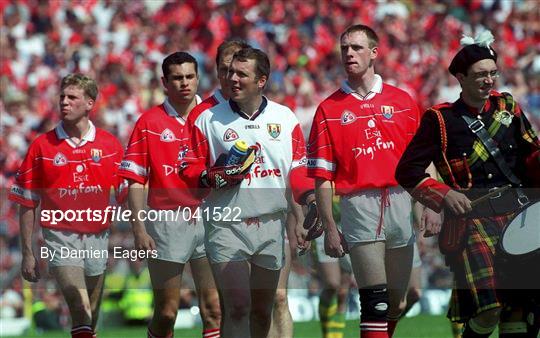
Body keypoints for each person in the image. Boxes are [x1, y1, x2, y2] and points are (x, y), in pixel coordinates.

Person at [395, 30, 540, 337]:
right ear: (461, 77)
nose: (489, 81)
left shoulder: (508, 107)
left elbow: (531, 155)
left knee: (521, 307)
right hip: (474, 220)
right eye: (480, 75)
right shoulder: (440, 119)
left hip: (520, 217)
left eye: (492, 73)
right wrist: (443, 195)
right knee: (489, 311)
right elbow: (407, 171)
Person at [180, 47, 314, 338]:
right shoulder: (207, 119)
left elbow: (299, 170)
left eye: (242, 74)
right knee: (238, 306)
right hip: (226, 224)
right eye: (230, 72)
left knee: (263, 309)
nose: (233, 79)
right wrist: (208, 177)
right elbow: (188, 168)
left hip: (271, 226)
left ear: (261, 80)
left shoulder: (285, 117)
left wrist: (308, 201)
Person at [307, 24, 427, 338]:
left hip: (400, 200)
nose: (349, 53)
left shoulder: (403, 101)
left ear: (374, 53)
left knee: (399, 302)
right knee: (376, 303)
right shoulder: (328, 109)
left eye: (357, 48)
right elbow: (322, 177)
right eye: (344, 48)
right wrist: (331, 227)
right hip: (359, 205)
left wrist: (431, 205)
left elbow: (421, 163)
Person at [9, 73, 126, 338]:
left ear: (89, 103)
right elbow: (27, 202)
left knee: (90, 314)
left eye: (72, 97)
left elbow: (127, 194)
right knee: (79, 304)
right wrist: (28, 252)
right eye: (62, 96)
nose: (64, 102)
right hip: (60, 235)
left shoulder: (109, 145)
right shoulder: (41, 146)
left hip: (98, 235)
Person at [118, 52, 221, 338]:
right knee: (166, 311)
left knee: (214, 307)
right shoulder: (149, 122)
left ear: (198, 78)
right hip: (166, 222)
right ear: (165, 82)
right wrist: (139, 229)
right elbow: (135, 180)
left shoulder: (215, 116)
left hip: (210, 217)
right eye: (177, 78)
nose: (184, 83)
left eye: (190, 77)